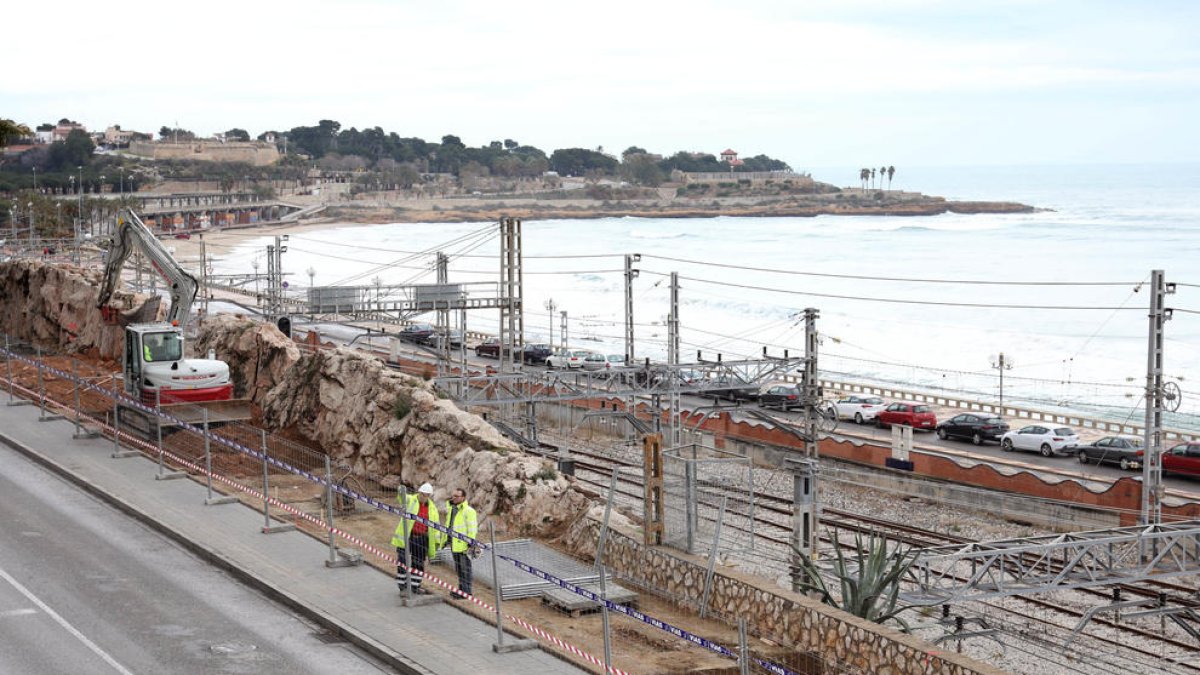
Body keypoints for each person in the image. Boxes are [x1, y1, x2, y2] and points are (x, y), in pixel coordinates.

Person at [390, 482, 440, 595]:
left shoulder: (432, 508)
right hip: (408, 537)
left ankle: (414, 586)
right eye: (423, 494)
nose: (424, 497)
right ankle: (402, 586)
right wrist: (401, 490)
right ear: (419, 493)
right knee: (403, 560)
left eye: (427, 495)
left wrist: (436, 541)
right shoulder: (410, 500)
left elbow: (435, 526)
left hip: (421, 538)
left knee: (418, 563)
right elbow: (402, 497)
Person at [442, 487, 478, 599]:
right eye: (453, 496)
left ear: (463, 497)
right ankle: (462, 590)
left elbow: (472, 528)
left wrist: (470, 542)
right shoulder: (452, 508)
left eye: (457, 496)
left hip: (463, 546)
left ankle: (466, 592)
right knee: (459, 569)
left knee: (465, 569)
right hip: (454, 544)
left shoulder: (468, 511)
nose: (454, 498)